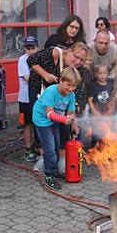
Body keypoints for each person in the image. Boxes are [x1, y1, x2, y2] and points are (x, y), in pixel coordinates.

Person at [27, 41, 88, 172]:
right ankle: (47, 163)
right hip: (42, 96)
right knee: (46, 136)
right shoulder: (55, 53)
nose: (78, 62)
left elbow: (73, 104)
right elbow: (31, 60)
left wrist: (74, 122)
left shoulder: (75, 79)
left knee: (58, 135)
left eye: (82, 60)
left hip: (59, 104)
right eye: (76, 57)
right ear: (70, 51)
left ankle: (59, 160)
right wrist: (46, 75)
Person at [32, 66, 81, 190]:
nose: (71, 89)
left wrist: (74, 124)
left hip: (55, 121)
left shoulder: (71, 95)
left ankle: (53, 170)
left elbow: (70, 112)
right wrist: (65, 120)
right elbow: (49, 113)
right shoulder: (51, 91)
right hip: (42, 120)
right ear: (61, 80)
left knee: (57, 145)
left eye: (74, 86)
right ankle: (49, 175)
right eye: (68, 85)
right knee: (49, 148)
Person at [18, 36, 39, 162]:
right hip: (25, 97)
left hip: (37, 96)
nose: (31, 51)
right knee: (27, 123)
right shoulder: (22, 60)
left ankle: (37, 145)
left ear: (37, 48)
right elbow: (26, 77)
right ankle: (28, 147)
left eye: (33, 48)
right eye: (28, 48)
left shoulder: (40, 58)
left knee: (38, 122)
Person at [87, 64, 115, 146]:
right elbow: (90, 100)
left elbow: (111, 99)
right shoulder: (93, 86)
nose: (102, 75)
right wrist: (94, 112)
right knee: (96, 132)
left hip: (105, 113)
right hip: (95, 114)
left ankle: (103, 149)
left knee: (105, 131)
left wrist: (111, 109)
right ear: (96, 74)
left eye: (104, 73)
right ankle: (93, 148)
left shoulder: (110, 85)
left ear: (107, 74)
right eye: (100, 73)